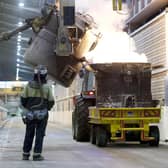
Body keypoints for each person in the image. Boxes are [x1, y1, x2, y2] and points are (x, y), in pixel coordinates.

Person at [21, 65, 55, 161]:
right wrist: (46, 108)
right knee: (40, 134)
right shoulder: (47, 87)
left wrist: (27, 109)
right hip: (42, 114)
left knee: (29, 133)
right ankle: (36, 155)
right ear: (45, 75)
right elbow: (51, 101)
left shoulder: (28, 86)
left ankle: (25, 154)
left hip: (30, 114)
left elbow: (23, 99)